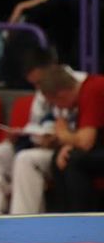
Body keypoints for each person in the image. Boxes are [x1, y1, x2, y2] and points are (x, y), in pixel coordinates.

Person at [0, 48, 87, 214]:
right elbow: (36, 124)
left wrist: (59, 138)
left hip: (62, 148)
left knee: (26, 159)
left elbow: (86, 133)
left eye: (39, 82)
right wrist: (20, 135)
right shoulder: (42, 91)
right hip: (38, 143)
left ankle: (21, 218)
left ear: (52, 67)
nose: (38, 88)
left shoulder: (82, 85)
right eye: (34, 84)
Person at [40, 65, 104, 212]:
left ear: (61, 95)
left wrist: (62, 132)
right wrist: (68, 145)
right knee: (61, 156)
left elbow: (85, 142)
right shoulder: (85, 92)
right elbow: (89, 137)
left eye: (55, 103)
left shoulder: (93, 90)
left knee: (73, 160)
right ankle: (65, 215)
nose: (59, 108)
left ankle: (82, 217)